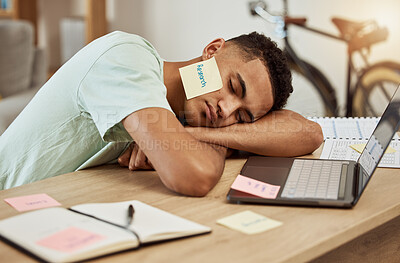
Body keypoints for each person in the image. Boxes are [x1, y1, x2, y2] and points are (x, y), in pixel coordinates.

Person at [0, 31, 323, 195]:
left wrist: (196, 135)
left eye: (242, 117)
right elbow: (193, 177)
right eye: (233, 87)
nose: (226, 109)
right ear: (212, 50)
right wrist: (201, 140)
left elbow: (308, 132)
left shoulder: (189, 113)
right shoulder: (126, 58)